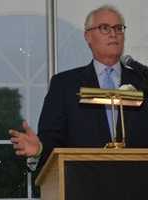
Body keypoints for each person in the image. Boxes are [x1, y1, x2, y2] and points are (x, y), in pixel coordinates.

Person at [9, 4, 148, 170]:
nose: (114, 34)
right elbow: (52, 138)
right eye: (105, 28)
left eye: (119, 28)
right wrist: (39, 150)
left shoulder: (143, 82)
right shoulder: (64, 85)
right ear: (88, 36)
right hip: (84, 184)